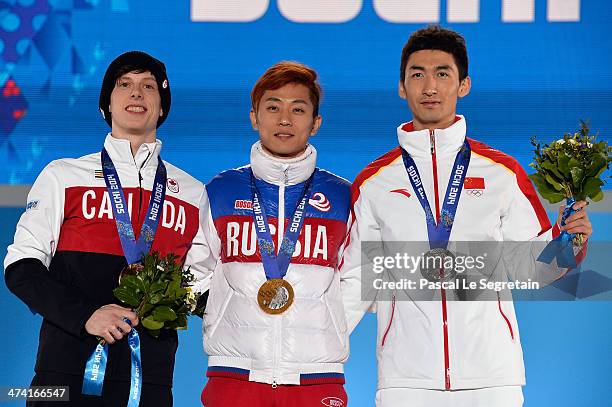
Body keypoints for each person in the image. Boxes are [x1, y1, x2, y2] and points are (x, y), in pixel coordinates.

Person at [339, 26, 592, 407]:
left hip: (492, 379)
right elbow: (356, 281)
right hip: (406, 381)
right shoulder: (374, 182)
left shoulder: (502, 173)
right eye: (417, 74)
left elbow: (532, 270)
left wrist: (571, 240)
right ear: (401, 87)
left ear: (464, 85)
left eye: (443, 73)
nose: (429, 87)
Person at [4, 51, 213, 406]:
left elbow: (201, 288)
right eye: (124, 84)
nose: (137, 93)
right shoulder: (63, 175)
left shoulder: (193, 194)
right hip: (62, 374)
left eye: (148, 86)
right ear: (106, 105)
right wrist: (86, 315)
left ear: (162, 107)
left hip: (151, 380)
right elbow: (20, 268)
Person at [199, 61, 351, 406]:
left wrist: (329, 327)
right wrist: (227, 315)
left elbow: (356, 276)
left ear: (316, 123)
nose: (285, 120)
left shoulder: (343, 196)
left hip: (318, 377)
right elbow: (197, 270)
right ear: (254, 117)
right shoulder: (220, 191)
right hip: (233, 373)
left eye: (298, 109)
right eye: (273, 107)